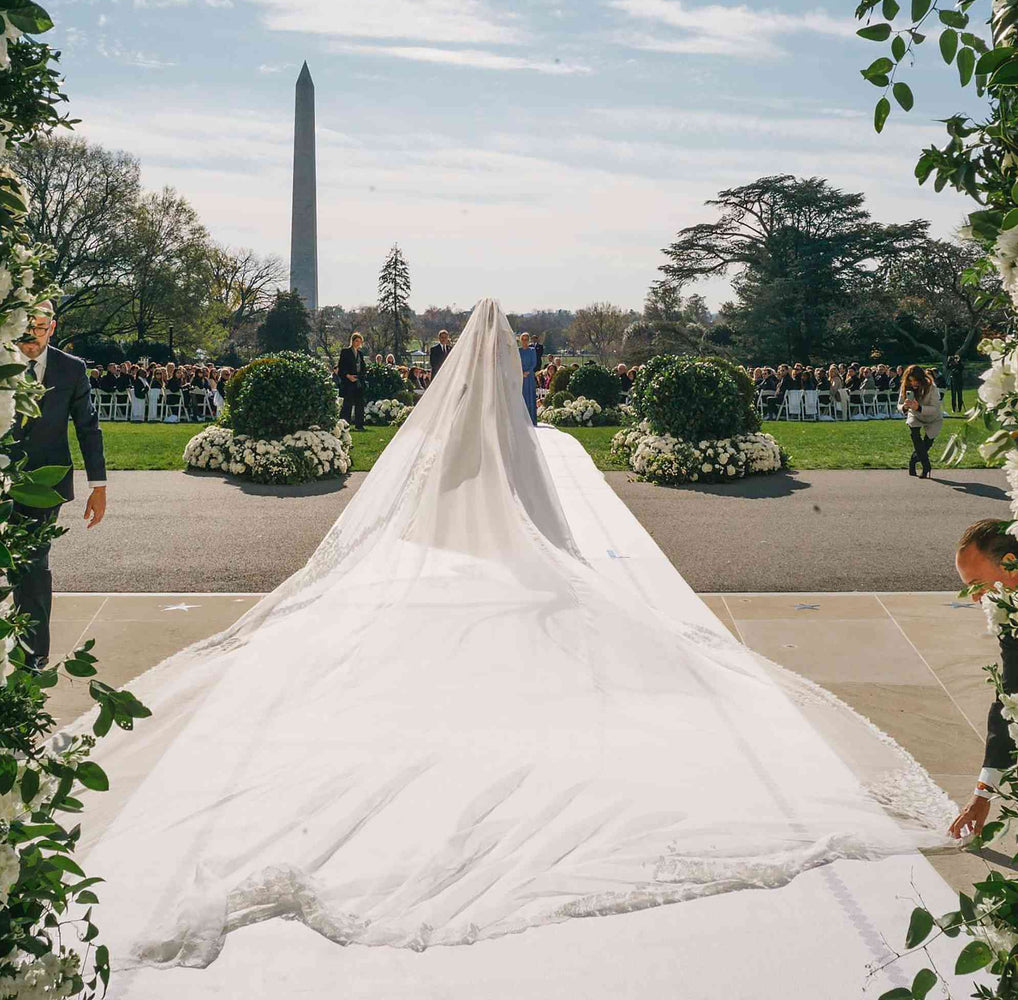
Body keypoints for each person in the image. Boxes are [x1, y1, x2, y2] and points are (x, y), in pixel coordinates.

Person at [66, 297, 950, 986]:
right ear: (507, 356)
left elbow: (437, 487)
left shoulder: (454, 416)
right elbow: (532, 498)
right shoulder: (512, 408)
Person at [9, 301, 107, 670]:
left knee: (33, 563)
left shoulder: (71, 369)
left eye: (39, 327)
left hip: (45, 486)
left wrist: (98, 485)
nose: (31, 335)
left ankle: (33, 656)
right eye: (25, 326)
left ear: (52, 327)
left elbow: (88, 428)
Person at [950, 519, 1018, 839]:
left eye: (976, 583)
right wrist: (984, 791)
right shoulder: (1009, 616)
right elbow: (1010, 697)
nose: (975, 598)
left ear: (1009, 565)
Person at [899, 363, 943, 478]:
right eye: (910, 381)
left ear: (921, 379)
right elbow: (898, 405)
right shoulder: (906, 387)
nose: (913, 383)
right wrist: (904, 407)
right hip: (915, 415)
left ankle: (913, 461)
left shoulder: (931, 387)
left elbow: (935, 408)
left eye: (916, 381)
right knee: (914, 434)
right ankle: (926, 466)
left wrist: (919, 407)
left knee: (926, 445)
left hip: (932, 417)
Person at [338, 332, 367, 431]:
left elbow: (363, 368)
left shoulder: (360, 354)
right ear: (353, 341)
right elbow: (341, 367)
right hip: (348, 381)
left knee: (360, 404)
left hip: (358, 381)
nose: (358, 343)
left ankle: (359, 425)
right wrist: (348, 376)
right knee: (348, 404)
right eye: (356, 341)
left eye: (360, 341)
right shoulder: (345, 352)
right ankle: (344, 425)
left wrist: (360, 376)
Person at [519, 331, 538, 425]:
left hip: (529, 376)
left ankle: (531, 418)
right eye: (523, 339)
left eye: (526, 339)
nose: (524, 341)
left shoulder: (532, 350)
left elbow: (534, 363)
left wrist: (528, 371)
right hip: (520, 375)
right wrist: (521, 372)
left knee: (530, 395)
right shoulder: (518, 351)